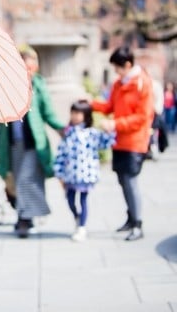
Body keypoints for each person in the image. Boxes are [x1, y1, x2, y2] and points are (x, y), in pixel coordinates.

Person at [0, 46, 65, 239]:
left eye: (32, 68)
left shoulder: (39, 86)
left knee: (26, 180)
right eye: (25, 67)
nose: (29, 71)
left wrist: (63, 129)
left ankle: (23, 220)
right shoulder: (7, 86)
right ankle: (25, 216)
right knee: (14, 182)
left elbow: (48, 113)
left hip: (33, 143)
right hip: (11, 142)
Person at [90, 45, 154, 241]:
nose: (116, 72)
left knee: (131, 182)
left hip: (135, 141)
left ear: (127, 65)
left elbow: (143, 117)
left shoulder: (142, 83)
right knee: (123, 182)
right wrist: (91, 103)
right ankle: (130, 218)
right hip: (119, 140)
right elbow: (110, 106)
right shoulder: (119, 84)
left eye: (118, 68)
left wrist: (115, 123)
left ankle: (138, 224)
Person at [53, 100, 115, 242]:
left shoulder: (92, 133)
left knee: (83, 200)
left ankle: (82, 226)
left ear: (85, 115)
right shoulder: (68, 133)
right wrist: (59, 173)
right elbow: (61, 153)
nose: (75, 116)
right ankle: (77, 217)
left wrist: (108, 130)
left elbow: (105, 144)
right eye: (73, 113)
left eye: (78, 113)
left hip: (85, 174)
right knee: (69, 199)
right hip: (70, 174)